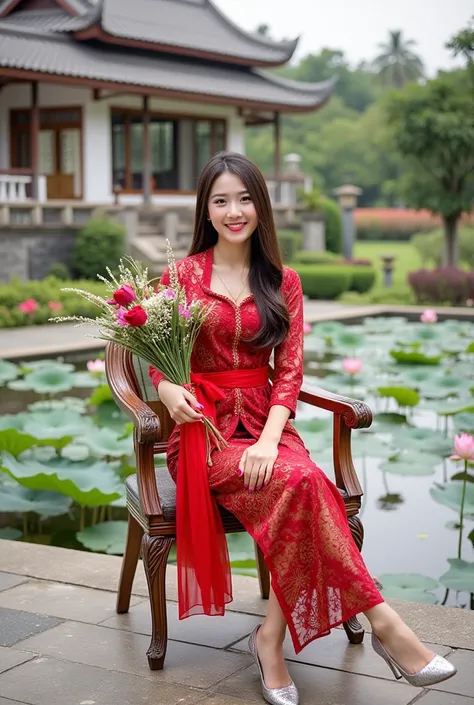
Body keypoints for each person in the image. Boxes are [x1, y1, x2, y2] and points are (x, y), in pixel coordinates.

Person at [150, 151, 456, 705]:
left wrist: (269, 439)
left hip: (270, 430)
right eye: (221, 201)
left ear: (261, 207)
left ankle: (270, 640)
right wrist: (170, 391)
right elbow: (156, 355)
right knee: (307, 486)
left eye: (244, 199)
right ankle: (388, 629)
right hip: (205, 433)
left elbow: (289, 373)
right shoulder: (181, 276)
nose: (233, 211)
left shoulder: (283, 281)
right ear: (206, 210)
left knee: (301, 480)